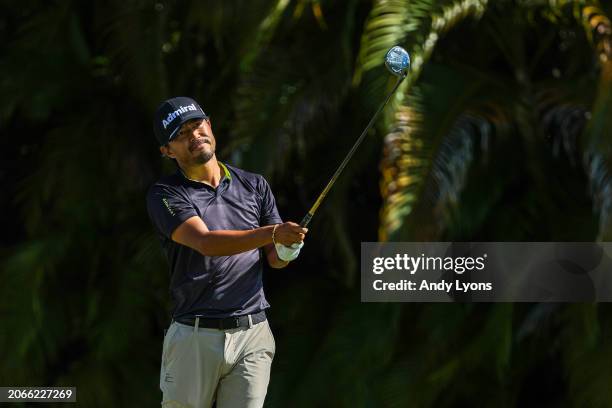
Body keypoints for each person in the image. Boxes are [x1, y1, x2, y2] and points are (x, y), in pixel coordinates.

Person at [146, 96, 308, 407]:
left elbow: (274, 258)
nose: (194, 136)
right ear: (167, 151)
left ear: (209, 125)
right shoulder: (165, 194)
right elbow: (206, 242)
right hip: (195, 336)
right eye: (181, 135)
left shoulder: (253, 185)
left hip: (252, 334)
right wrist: (273, 233)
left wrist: (288, 249)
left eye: (197, 125)